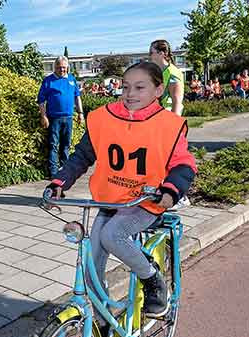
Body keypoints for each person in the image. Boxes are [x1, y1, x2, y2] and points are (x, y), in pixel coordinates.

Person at [46, 61, 196, 317]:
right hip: (109, 201)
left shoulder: (168, 125)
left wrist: (171, 191)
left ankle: (152, 278)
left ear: (158, 90)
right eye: (126, 87)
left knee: (112, 236)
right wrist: (60, 182)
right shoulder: (104, 118)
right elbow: (82, 156)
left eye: (140, 87)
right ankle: (102, 327)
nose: (130, 94)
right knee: (91, 269)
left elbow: (183, 164)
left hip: (145, 203)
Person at [38, 56, 84, 178]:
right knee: (53, 145)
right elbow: (41, 101)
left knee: (66, 145)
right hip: (54, 119)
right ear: (55, 67)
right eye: (59, 67)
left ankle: (64, 171)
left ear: (67, 67)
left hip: (68, 118)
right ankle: (53, 173)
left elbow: (77, 97)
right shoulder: (48, 81)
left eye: (64, 67)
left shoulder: (72, 79)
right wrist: (43, 116)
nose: (61, 69)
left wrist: (80, 113)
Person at [148, 39, 184, 116]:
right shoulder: (158, 72)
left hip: (166, 115)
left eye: (151, 52)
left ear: (161, 53)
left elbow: (177, 102)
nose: (149, 56)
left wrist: (174, 123)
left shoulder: (173, 73)